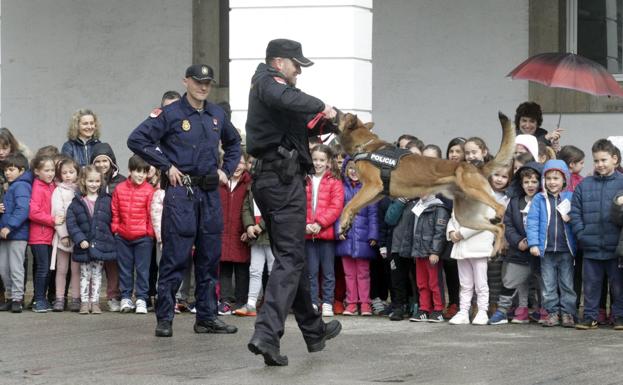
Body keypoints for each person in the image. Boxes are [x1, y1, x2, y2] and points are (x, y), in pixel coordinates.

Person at [244, 38, 341, 366]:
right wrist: (320, 104)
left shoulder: (279, 98)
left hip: (274, 179)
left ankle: (313, 332)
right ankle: (267, 333)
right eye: (296, 63)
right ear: (278, 62)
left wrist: (331, 120)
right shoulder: (267, 82)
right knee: (290, 258)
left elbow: (304, 124)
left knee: (291, 255)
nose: (299, 69)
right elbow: (290, 99)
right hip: (282, 182)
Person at [128, 63, 241, 337]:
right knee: (175, 257)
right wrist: (165, 165)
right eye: (198, 81)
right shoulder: (171, 113)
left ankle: (207, 317)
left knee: (209, 257)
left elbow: (235, 144)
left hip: (210, 193)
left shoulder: (216, 114)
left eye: (207, 83)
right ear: (186, 81)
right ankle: (165, 317)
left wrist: (225, 171)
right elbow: (137, 139)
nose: (203, 87)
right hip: (182, 193)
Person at [571, 139, 623, 330]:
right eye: (596, 160)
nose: (600, 164)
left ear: (614, 159)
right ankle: (590, 317)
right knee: (591, 285)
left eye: (604, 160)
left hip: (615, 247)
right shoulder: (585, 185)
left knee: (618, 286)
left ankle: (619, 316)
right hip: (591, 246)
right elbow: (575, 212)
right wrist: (581, 234)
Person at [489, 162, 543, 325]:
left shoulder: (543, 200)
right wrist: (518, 241)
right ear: (521, 184)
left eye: (534, 181)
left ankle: (546, 310)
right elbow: (509, 225)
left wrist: (534, 241)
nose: (530, 185)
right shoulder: (514, 201)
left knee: (544, 283)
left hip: (540, 250)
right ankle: (503, 310)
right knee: (510, 280)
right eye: (526, 182)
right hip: (519, 249)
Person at [527, 160, 577, 327]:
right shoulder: (539, 199)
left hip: (566, 251)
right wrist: (533, 244)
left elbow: (578, 217)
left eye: (556, 178)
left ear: (564, 180)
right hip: (546, 251)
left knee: (567, 284)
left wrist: (571, 219)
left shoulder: (571, 197)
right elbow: (532, 222)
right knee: (548, 286)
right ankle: (552, 313)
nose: (552, 182)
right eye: (548, 178)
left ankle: (568, 313)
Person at [66, 166, 115, 314]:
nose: (93, 184)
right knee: (84, 275)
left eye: (97, 181)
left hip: (100, 245)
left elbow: (110, 221)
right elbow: (71, 223)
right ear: (83, 181)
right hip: (84, 245)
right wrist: (80, 239)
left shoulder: (106, 200)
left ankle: (95, 302)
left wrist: (108, 239)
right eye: (90, 181)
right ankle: (84, 302)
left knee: (97, 274)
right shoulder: (77, 202)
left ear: (101, 182)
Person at [111, 155, 155, 314]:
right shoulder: (120, 188)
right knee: (125, 269)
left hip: (143, 238)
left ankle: (142, 298)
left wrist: (149, 233)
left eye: (144, 172)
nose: (140, 175)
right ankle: (126, 298)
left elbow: (152, 213)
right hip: (123, 237)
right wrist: (116, 228)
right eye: (137, 171)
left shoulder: (150, 190)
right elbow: (115, 210)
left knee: (143, 270)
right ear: (130, 170)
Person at [334, 158, 378, 316]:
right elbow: (337, 213)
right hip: (346, 238)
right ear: (345, 170)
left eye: (358, 168)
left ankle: (365, 303)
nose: (354, 171)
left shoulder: (368, 189)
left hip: (363, 238)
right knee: (349, 273)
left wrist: (373, 235)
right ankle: (351, 303)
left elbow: (373, 215)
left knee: (363, 273)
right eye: (351, 168)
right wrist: (339, 231)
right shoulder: (341, 189)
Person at [305, 144, 344, 316]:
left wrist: (320, 223)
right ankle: (313, 302)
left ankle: (327, 302)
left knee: (328, 271)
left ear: (328, 162)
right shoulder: (304, 179)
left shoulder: (334, 181)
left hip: (325, 233)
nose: (318, 163)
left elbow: (336, 207)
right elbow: (299, 204)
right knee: (311, 272)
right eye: (315, 159)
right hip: (307, 233)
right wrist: (305, 224)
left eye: (322, 160)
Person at [89, 142, 125, 312]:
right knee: (92, 266)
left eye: (105, 161)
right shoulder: (89, 180)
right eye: (97, 161)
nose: (101, 165)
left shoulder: (121, 181)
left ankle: (114, 297)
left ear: (112, 162)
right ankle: (89, 298)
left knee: (113, 265)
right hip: (94, 230)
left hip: (113, 230)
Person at [29, 154, 63, 313]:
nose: (50, 173)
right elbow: (33, 213)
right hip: (39, 236)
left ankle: (41, 298)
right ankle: (39, 300)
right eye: (46, 170)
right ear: (37, 171)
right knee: (43, 268)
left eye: (52, 170)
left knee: (48, 267)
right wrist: (53, 220)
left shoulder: (50, 185)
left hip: (49, 235)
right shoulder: (38, 187)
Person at [408, 194, 450, 323]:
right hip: (419, 253)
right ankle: (424, 309)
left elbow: (440, 232)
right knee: (421, 283)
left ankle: (438, 309)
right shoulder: (418, 206)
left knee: (434, 283)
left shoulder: (439, 208)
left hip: (431, 253)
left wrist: (435, 251)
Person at [218, 154, 252, 314]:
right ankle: (225, 301)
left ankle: (240, 301)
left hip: (241, 232)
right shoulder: (219, 182)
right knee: (224, 267)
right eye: (234, 162)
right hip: (222, 232)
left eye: (241, 163)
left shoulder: (249, 183)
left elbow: (251, 208)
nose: (238, 166)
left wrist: (248, 228)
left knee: (242, 269)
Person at [0, 153, 32, 313]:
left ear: (21, 170)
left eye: (11, 169)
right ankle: (11, 297)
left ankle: (18, 299)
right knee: (4, 268)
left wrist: (9, 226)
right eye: (6, 170)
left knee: (15, 268)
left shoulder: (21, 186)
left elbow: (23, 209)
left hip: (17, 235)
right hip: (5, 236)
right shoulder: (11, 186)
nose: (7, 172)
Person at [50, 157, 81, 312]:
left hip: (78, 238)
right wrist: (63, 234)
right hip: (64, 238)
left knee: (76, 270)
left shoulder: (80, 190)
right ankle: (60, 298)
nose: (68, 175)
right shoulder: (58, 191)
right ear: (59, 174)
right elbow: (58, 213)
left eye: (71, 172)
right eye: (64, 173)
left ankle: (76, 298)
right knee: (62, 270)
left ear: (77, 173)